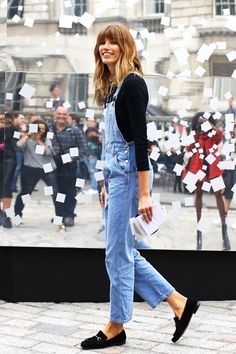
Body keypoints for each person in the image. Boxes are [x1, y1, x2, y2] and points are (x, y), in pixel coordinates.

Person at [81, 24, 200, 350]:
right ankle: (178, 302)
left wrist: (145, 192)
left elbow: (139, 142)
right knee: (122, 251)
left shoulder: (133, 84)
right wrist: (105, 182)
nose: (105, 46)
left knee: (116, 254)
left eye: (112, 42)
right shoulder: (112, 88)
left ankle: (116, 326)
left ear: (124, 47)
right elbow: (109, 146)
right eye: (102, 42)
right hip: (115, 179)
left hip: (129, 179)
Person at [182, 112, 231, 251]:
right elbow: (187, 147)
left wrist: (207, 123)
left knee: (218, 197)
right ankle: (199, 233)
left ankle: (224, 230)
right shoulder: (196, 137)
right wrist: (196, 132)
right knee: (198, 196)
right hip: (198, 171)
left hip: (214, 171)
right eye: (199, 123)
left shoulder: (212, 137)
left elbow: (220, 134)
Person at [14, 120, 63, 226]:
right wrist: (29, 134)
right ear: (33, 128)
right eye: (38, 128)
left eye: (43, 129)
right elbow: (18, 145)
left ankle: (59, 219)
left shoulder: (48, 138)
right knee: (25, 193)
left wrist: (39, 140)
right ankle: (17, 216)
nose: (40, 131)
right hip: (31, 168)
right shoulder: (27, 138)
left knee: (55, 193)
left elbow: (48, 152)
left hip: (48, 168)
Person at [51, 106, 89, 227]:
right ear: (54, 115)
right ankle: (59, 215)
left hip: (70, 165)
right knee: (57, 191)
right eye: (59, 114)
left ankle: (69, 215)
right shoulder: (49, 129)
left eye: (64, 114)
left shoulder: (74, 130)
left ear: (68, 116)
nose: (61, 116)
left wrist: (68, 158)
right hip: (53, 164)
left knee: (70, 191)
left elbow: (83, 149)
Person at [0, 112, 18, 228]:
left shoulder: (13, 129)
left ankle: (7, 215)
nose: (2, 123)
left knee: (7, 187)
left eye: (4, 120)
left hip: (8, 159)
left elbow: (15, 144)